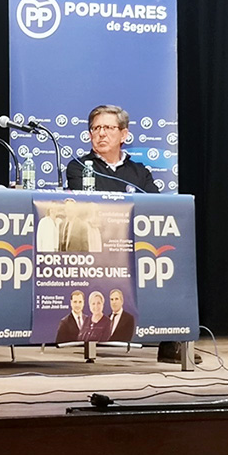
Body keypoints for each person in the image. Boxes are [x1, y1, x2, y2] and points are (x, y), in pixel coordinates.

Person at [65, 105, 193, 363]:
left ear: (124, 135)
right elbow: (86, 208)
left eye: (108, 128)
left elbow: (155, 207)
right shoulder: (79, 167)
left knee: (169, 262)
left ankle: (172, 342)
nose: (101, 134)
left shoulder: (139, 171)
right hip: (96, 246)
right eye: (95, 128)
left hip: (135, 244)